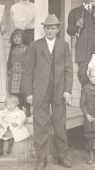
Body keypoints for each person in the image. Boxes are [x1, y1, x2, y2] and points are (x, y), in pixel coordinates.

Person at [24, 14, 73, 170]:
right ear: (44, 29)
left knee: (60, 125)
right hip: (40, 91)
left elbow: (68, 70)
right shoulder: (35, 46)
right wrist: (29, 93)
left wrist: (67, 90)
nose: (50, 31)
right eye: (47, 28)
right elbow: (28, 71)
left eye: (53, 28)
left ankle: (62, 156)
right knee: (40, 125)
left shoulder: (64, 45)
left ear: (58, 29)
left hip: (58, 90)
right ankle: (42, 160)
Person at [67, 0, 95, 87]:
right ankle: (86, 98)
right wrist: (76, 25)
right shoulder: (75, 12)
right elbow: (69, 31)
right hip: (83, 48)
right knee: (83, 74)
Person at [7, 29, 30, 117]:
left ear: (22, 37)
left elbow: (29, 61)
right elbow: (9, 61)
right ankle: (19, 109)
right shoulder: (13, 50)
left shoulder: (27, 48)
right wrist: (9, 70)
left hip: (23, 73)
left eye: (18, 37)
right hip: (14, 73)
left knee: (24, 91)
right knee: (16, 92)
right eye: (14, 37)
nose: (16, 39)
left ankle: (27, 109)